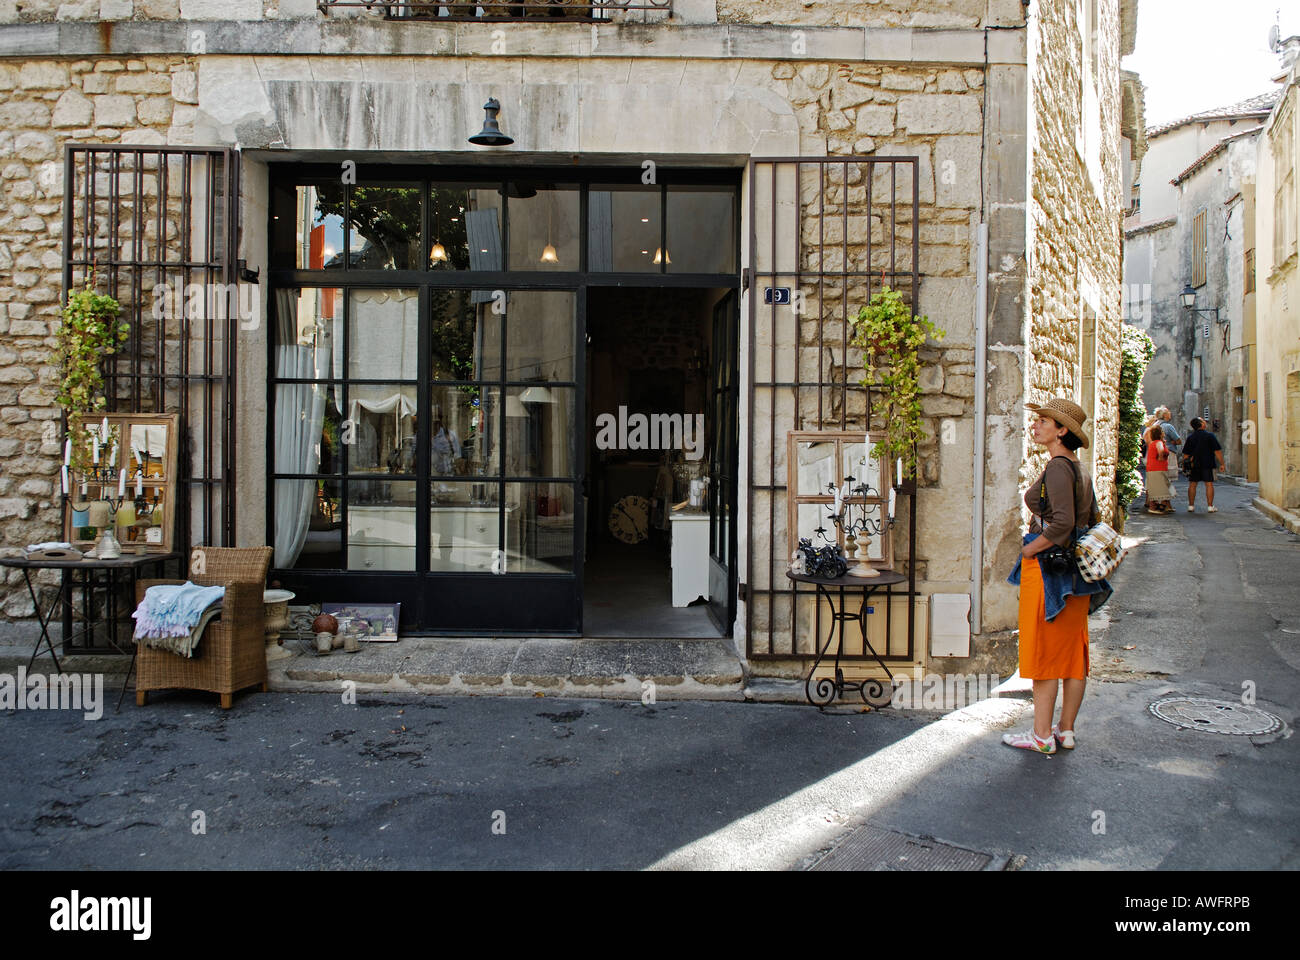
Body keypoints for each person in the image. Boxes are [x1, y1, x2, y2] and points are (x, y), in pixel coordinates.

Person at [1004, 398, 1112, 756]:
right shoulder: (1079, 469)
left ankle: (1040, 735)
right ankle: (1065, 730)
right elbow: (1090, 519)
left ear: (1062, 430)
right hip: (1076, 573)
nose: (1035, 426)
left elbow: (1063, 523)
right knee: (1072, 654)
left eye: (1043, 421)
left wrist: (1029, 550)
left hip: (1050, 568)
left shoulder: (1057, 468)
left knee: (1045, 653)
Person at [1182, 417, 1225, 513]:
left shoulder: (1190, 437)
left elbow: (1186, 454)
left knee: (1192, 484)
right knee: (1209, 484)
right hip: (1207, 463)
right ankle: (1210, 506)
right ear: (1201, 424)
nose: (1205, 422)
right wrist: (1222, 463)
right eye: (1203, 421)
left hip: (1194, 464)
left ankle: (1191, 506)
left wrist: (1185, 465)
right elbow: (1217, 451)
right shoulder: (1210, 436)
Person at [1143, 424, 1172, 514]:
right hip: (1158, 468)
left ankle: (1155, 506)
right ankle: (1157, 507)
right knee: (1162, 488)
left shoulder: (1153, 443)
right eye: (1162, 432)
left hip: (1152, 468)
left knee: (1154, 488)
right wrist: (1160, 457)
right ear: (1160, 433)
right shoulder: (1159, 442)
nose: (1163, 433)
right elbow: (1161, 450)